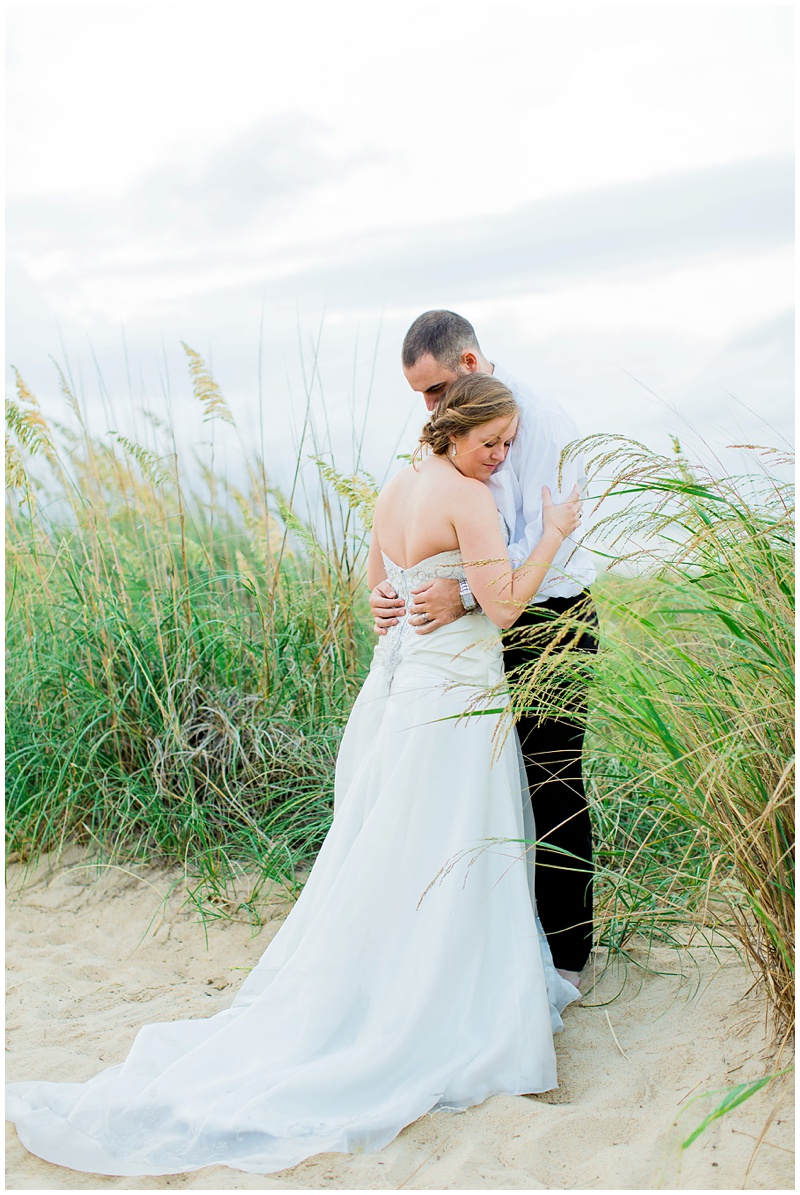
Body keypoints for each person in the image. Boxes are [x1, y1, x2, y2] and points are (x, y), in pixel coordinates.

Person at [7, 374, 582, 1179]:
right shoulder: (470, 498)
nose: (501, 456)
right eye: (493, 442)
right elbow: (509, 602)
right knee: (453, 849)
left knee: (400, 850)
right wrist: (553, 532)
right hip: (454, 700)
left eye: (509, 444)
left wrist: (398, 598)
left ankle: (400, 985)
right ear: (454, 433)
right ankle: (443, 1005)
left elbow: (377, 592)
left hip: (407, 691)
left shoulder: (398, 487)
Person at [370, 310, 598, 989]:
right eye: (422, 398)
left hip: (548, 619)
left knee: (549, 781)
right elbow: (402, 532)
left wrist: (462, 597)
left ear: (469, 364)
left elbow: (543, 542)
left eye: (435, 391)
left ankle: (564, 957)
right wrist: (387, 591)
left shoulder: (539, 422)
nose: (430, 409)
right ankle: (482, 946)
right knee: (476, 790)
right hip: (469, 633)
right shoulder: (449, 440)